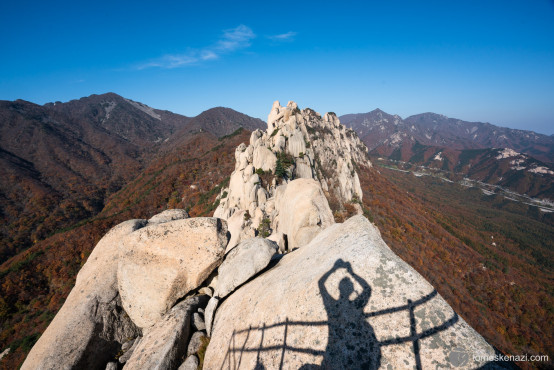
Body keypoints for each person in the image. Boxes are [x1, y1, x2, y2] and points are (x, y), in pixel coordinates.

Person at [317, 259, 381, 369]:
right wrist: (352, 273)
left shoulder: (331, 305)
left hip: (336, 352)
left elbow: (321, 284)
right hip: (359, 353)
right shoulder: (356, 305)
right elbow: (367, 289)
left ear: (339, 289)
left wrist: (333, 269)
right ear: (352, 290)